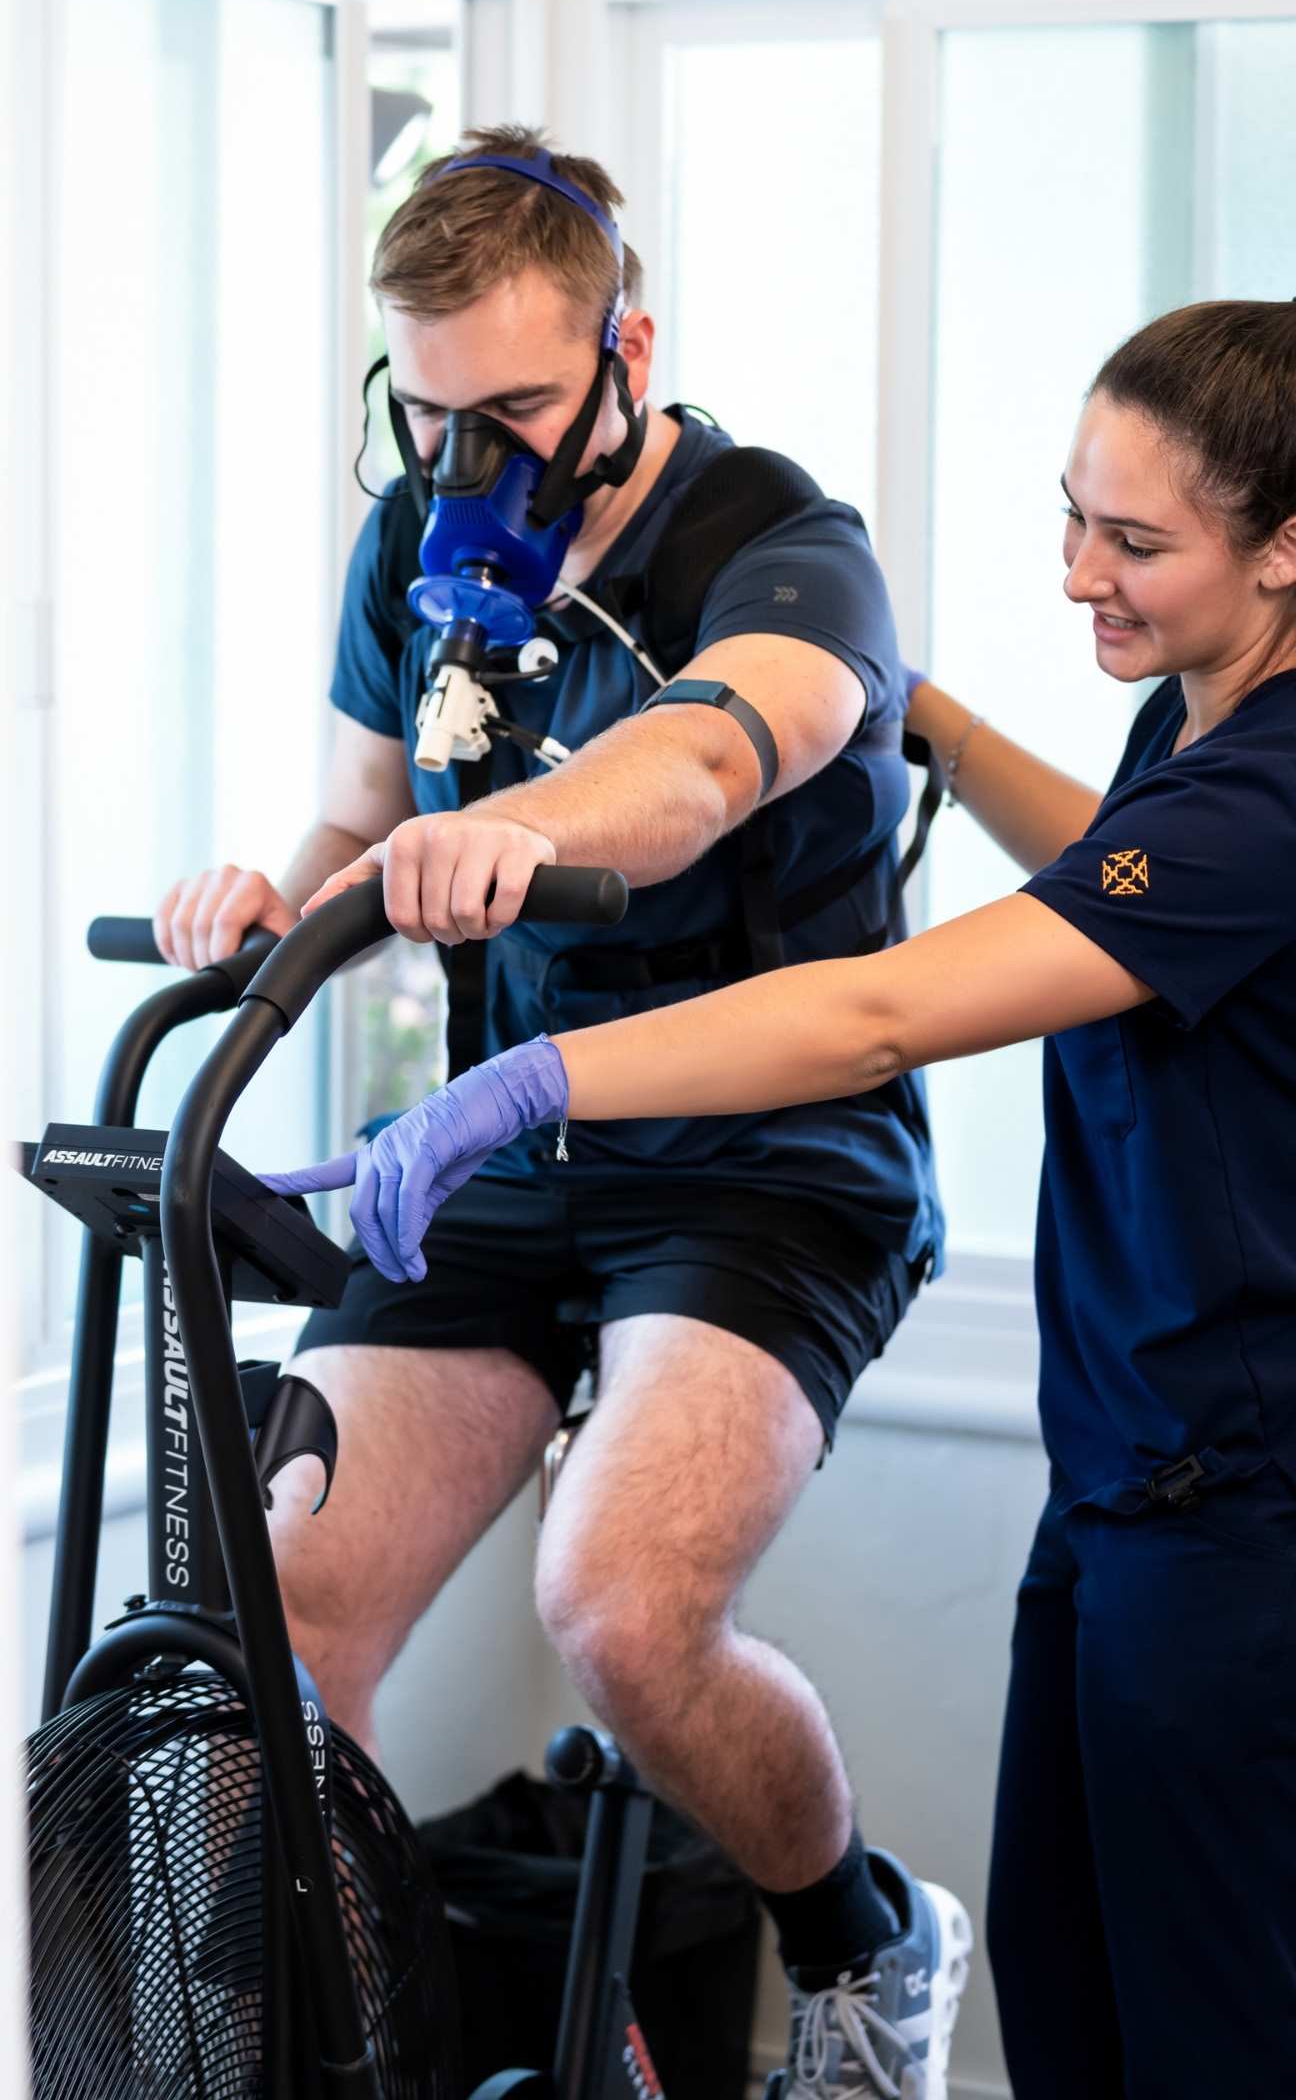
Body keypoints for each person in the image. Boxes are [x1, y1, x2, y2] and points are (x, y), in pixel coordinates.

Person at [275, 283, 1296, 2099]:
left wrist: (531, 1081)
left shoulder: (1289, 798)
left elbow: (876, 1014)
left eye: (1133, 540)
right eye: (1070, 512)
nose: (1082, 569)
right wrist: (920, 712)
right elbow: (1111, 860)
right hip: (1139, 1478)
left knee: (1231, 2057)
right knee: (1075, 2037)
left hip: (1268, 1500)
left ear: (1293, 545)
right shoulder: (1218, 715)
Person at [157, 127, 971, 2100]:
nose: (471, 465)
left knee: (615, 1611)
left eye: (514, 409)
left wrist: (496, 833)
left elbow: (702, 766)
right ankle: (346, 2059)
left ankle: (865, 1948)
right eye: (428, 415)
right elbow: (366, 823)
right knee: (284, 1629)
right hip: (514, 1155)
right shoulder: (413, 548)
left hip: (770, 1160)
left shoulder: (778, 540)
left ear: (630, 351)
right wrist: (283, 902)